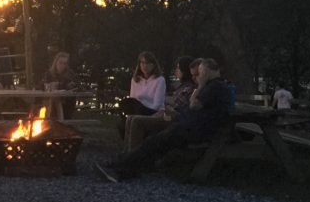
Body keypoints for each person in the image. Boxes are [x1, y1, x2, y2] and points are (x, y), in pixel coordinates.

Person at [96, 58, 232, 182]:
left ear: (208, 71)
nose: (198, 76)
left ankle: (122, 169)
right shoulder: (212, 86)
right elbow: (192, 105)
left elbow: (194, 105)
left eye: (201, 72)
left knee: (154, 142)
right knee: (154, 141)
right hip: (186, 125)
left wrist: (201, 85)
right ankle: (121, 164)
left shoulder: (216, 87)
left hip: (195, 131)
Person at [125, 55, 196, 151]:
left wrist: (164, 102)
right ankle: (126, 152)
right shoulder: (182, 87)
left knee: (136, 121)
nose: (176, 71)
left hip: (171, 119)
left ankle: (132, 156)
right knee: (130, 117)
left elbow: (175, 105)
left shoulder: (188, 88)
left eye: (178, 68)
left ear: (185, 70)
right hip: (165, 114)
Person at [117, 51, 166, 138]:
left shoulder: (159, 80)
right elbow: (132, 98)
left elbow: (157, 104)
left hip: (152, 111)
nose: (144, 66)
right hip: (137, 109)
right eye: (142, 63)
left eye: (147, 63)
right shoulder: (135, 80)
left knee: (134, 120)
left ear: (153, 65)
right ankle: (128, 148)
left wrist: (141, 110)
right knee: (123, 122)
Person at [41, 51, 79, 118]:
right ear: (56, 62)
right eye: (60, 62)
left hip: (66, 104)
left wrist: (58, 86)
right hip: (50, 102)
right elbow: (43, 85)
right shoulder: (49, 74)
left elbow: (72, 86)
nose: (62, 65)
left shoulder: (70, 74)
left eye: (64, 63)